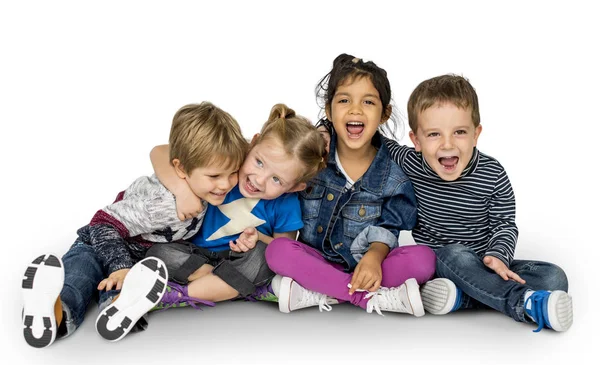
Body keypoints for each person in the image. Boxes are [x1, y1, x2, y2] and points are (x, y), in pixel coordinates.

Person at [320, 74, 573, 332]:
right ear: (416, 141)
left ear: (476, 134)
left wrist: (498, 256)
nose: (448, 144)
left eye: (460, 132)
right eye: (433, 134)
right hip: (439, 263)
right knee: (455, 254)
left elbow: (504, 225)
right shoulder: (410, 163)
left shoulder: (492, 174)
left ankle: (462, 298)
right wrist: (324, 129)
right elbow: (370, 135)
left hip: (486, 266)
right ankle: (521, 303)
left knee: (554, 277)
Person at [21, 102, 248, 347]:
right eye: (214, 176)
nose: (226, 184)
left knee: (122, 290)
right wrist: (119, 265)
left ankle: (114, 311)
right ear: (181, 168)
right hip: (98, 244)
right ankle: (51, 307)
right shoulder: (163, 205)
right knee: (80, 276)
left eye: (233, 172)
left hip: (137, 258)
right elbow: (102, 223)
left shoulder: (204, 183)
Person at [265, 54, 436, 316]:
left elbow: (389, 229)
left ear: (384, 114)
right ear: (329, 110)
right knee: (278, 251)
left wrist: (374, 257)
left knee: (424, 260)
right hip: (316, 260)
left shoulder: (393, 174)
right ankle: (364, 297)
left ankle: (318, 290)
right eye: (344, 100)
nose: (355, 110)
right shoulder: (311, 157)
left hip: (371, 266)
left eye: (368, 102)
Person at [144, 103, 328, 310]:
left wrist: (258, 238)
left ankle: (176, 295)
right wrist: (182, 191)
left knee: (263, 260)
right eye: (259, 162)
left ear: (295, 187)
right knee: (158, 251)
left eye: (276, 179)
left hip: (243, 259)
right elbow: (159, 152)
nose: (259, 180)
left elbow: (283, 251)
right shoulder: (230, 159)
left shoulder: (287, 205)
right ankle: (227, 286)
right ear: (252, 144)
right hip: (195, 253)